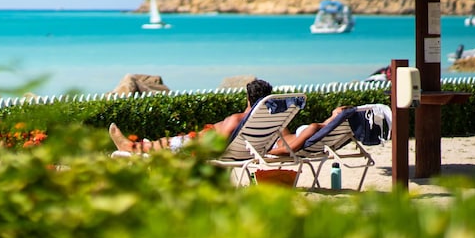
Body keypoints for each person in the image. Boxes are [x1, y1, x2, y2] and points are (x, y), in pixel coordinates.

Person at [108, 79, 347, 155]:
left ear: (248, 99)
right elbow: (289, 138)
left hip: (202, 146)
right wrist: (329, 121)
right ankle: (139, 145)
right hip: (241, 146)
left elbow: (212, 145)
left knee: (175, 142)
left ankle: (132, 146)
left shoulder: (237, 119)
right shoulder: (275, 122)